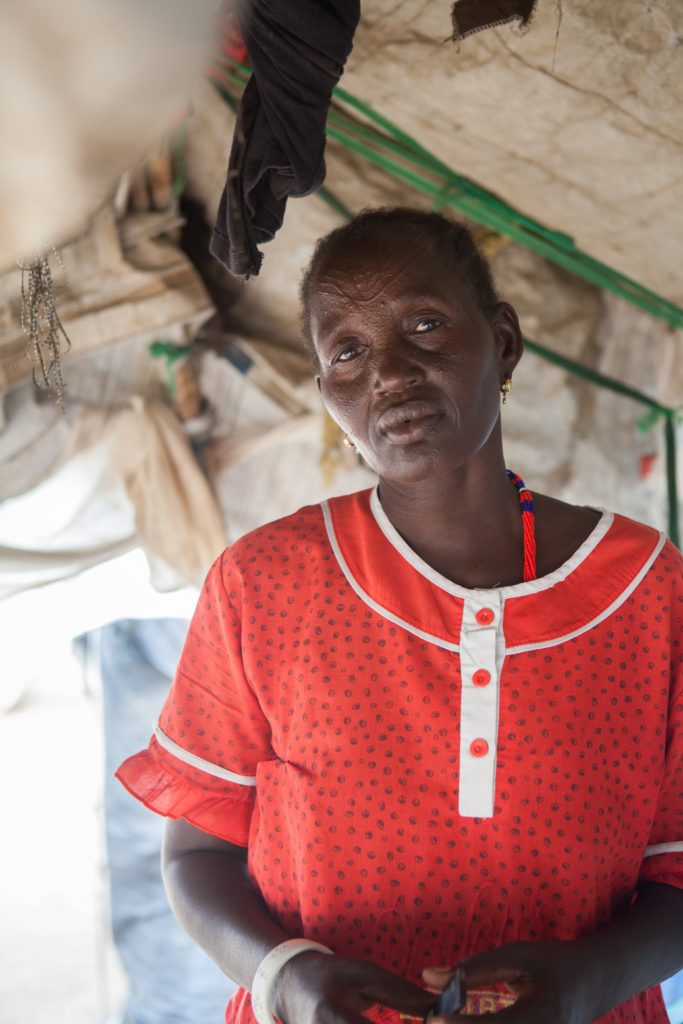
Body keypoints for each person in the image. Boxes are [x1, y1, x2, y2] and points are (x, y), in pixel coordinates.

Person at [117, 208, 683, 1024]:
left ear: (504, 341)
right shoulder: (264, 582)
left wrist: (590, 982)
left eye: (423, 324)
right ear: (326, 394)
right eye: (346, 350)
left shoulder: (646, 591)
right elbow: (197, 852)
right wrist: (285, 976)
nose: (388, 371)